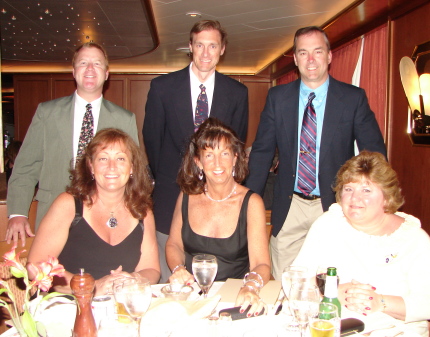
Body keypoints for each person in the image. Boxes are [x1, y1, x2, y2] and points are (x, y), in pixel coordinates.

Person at [246, 26, 387, 280]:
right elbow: (261, 152)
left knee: (332, 281)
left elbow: (376, 156)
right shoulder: (278, 98)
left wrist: (378, 202)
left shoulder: (352, 98)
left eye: (317, 52)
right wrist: (249, 202)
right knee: (282, 285)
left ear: (329, 56)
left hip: (333, 205)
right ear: (296, 59)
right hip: (290, 205)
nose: (310, 60)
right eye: (303, 53)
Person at [292, 151, 430, 337]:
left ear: (387, 197)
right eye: (348, 189)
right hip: (333, 328)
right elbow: (297, 278)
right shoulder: (327, 224)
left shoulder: (413, 239)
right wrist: (329, 293)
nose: (354, 198)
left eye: (366, 190)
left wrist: (380, 302)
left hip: (395, 331)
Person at [143, 20, 248, 283]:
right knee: (171, 276)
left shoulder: (237, 93)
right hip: (170, 196)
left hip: (219, 202)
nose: (205, 53)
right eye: (199, 45)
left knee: (215, 277)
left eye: (212, 46)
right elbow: (152, 141)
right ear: (190, 47)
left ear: (222, 49)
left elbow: (235, 146)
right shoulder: (162, 88)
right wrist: (175, 176)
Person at [6, 42, 139, 248]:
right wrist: (17, 213)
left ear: (106, 73)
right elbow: (26, 166)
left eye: (97, 63)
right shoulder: (47, 113)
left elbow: (132, 173)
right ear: (73, 71)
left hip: (103, 219)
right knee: (50, 276)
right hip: (53, 213)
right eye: (83, 63)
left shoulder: (124, 119)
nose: (89, 68)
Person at [27, 128, 160, 295]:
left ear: (132, 167)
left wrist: (132, 280)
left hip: (121, 310)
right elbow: (35, 266)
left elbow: (151, 269)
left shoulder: (143, 210)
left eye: (120, 159)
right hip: (69, 310)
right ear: (91, 166)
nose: (112, 167)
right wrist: (92, 287)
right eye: (103, 158)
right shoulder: (68, 204)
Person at [166, 118, 270, 316]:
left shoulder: (252, 203)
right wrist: (178, 268)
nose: (217, 163)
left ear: (235, 158)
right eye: (209, 155)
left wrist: (251, 286)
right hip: (192, 298)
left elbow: (261, 264)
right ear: (198, 162)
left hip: (234, 299)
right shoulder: (186, 196)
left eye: (224, 154)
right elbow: (174, 245)